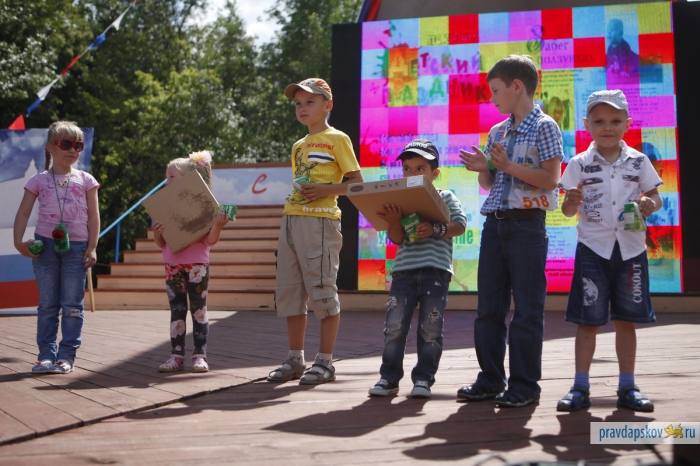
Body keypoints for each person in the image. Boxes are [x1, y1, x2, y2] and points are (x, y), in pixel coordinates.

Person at [458, 55, 564, 408]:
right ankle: (491, 378)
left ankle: (524, 385)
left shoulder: (546, 126)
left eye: (495, 90)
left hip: (527, 226)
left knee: (527, 309)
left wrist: (507, 165)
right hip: (495, 224)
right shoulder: (497, 131)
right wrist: (483, 168)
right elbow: (491, 183)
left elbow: (551, 179)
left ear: (517, 87)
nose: (492, 98)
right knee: (488, 308)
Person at [556, 90, 662, 412]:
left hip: (631, 250)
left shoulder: (639, 161)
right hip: (593, 250)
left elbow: (655, 197)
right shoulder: (578, 163)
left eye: (615, 121)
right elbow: (567, 211)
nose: (607, 128)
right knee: (588, 321)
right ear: (586, 124)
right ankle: (580, 387)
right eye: (599, 121)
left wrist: (650, 204)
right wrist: (570, 201)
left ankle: (628, 386)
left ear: (627, 124)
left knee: (626, 321)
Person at [267, 78, 363, 385]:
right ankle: (295, 359)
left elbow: (357, 183)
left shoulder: (338, 139)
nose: (302, 108)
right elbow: (301, 185)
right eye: (298, 103)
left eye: (310, 101)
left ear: (328, 105)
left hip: (321, 222)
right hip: (291, 220)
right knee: (290, 291)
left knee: (322, 291)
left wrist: (326, 189)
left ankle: (325, 362)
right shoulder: (298, 145)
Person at [368, 139, 467, 399]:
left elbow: (460, 225)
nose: (412, 173)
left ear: (435, 173)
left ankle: (423, 379)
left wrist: (435, 229)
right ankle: (389, 378)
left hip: (436, 272)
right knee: (394, 327)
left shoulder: (445, 196)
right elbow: (398, 239)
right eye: (407, 169)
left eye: (420, 168)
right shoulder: (399, 201)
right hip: (404, 272)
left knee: (430, 329)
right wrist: (393, 221)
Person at [13, 121, 100, 374]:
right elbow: (23, 213)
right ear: (50, 147)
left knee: (72, 305)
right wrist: (19, 243)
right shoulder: (38, 180)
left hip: (77, 247)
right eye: (66, 144)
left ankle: (66, 356)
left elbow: (94, 215)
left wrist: (92, 246)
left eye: (78, 145)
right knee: (48, 305)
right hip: (45, 247)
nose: (72, 149)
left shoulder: (86, 179)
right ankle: (45, 356)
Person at [152, 150, 230, 373]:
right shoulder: (164, 207)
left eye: (171, 177)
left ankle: (199, 356)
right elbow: (162, 244)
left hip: (197, 266)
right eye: (166, 177)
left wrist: (218, 225)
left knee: (199, 311)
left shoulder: (205, 206)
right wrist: (157, 234)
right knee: (177, 311)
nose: (166, 181)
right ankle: (176, 356)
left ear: (189, 180)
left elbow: (209, 241)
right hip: (172, 266)